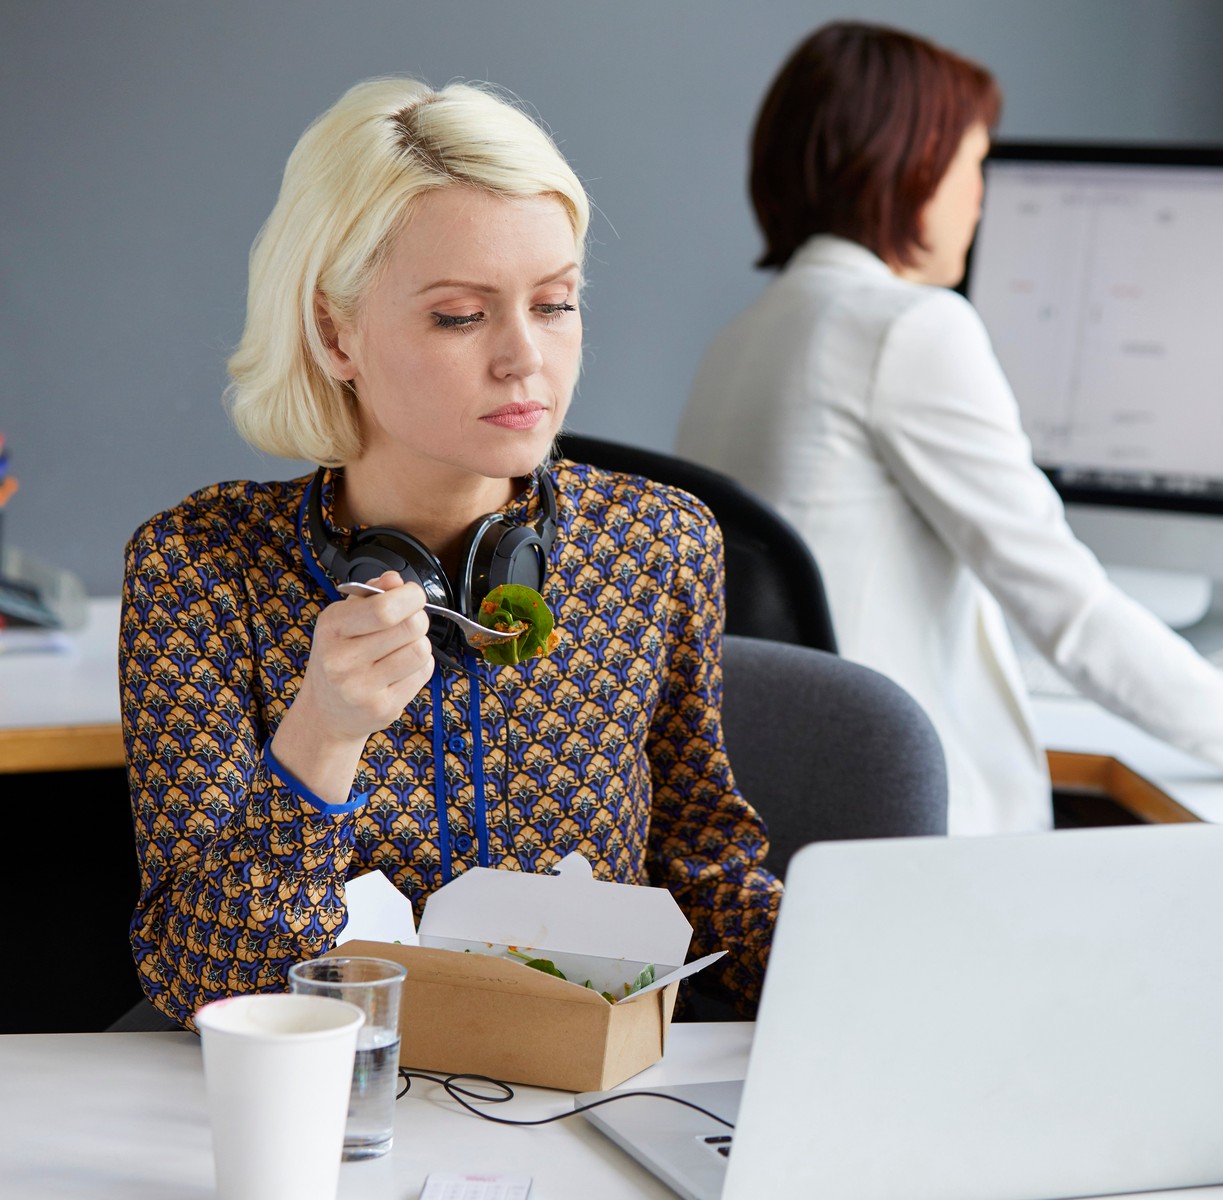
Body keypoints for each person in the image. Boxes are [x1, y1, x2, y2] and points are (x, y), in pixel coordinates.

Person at [678, 22, 1223, 835]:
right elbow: (1067, 606)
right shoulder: (908, 327)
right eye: (974, 166)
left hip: (795, 817)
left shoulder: (743, 338)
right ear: (910, 166)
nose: (980, 198)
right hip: (914, 830)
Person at [121, 78, 778, 1026]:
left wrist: (860, 971)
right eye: (461, 316)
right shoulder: (201, 570)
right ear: (334, 332)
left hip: (585, 1103)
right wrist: (321, 737)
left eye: (555, 304)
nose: (525, 359)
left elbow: (711, 871)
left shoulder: (658, 544)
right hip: (338, 1110)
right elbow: (205, 987)